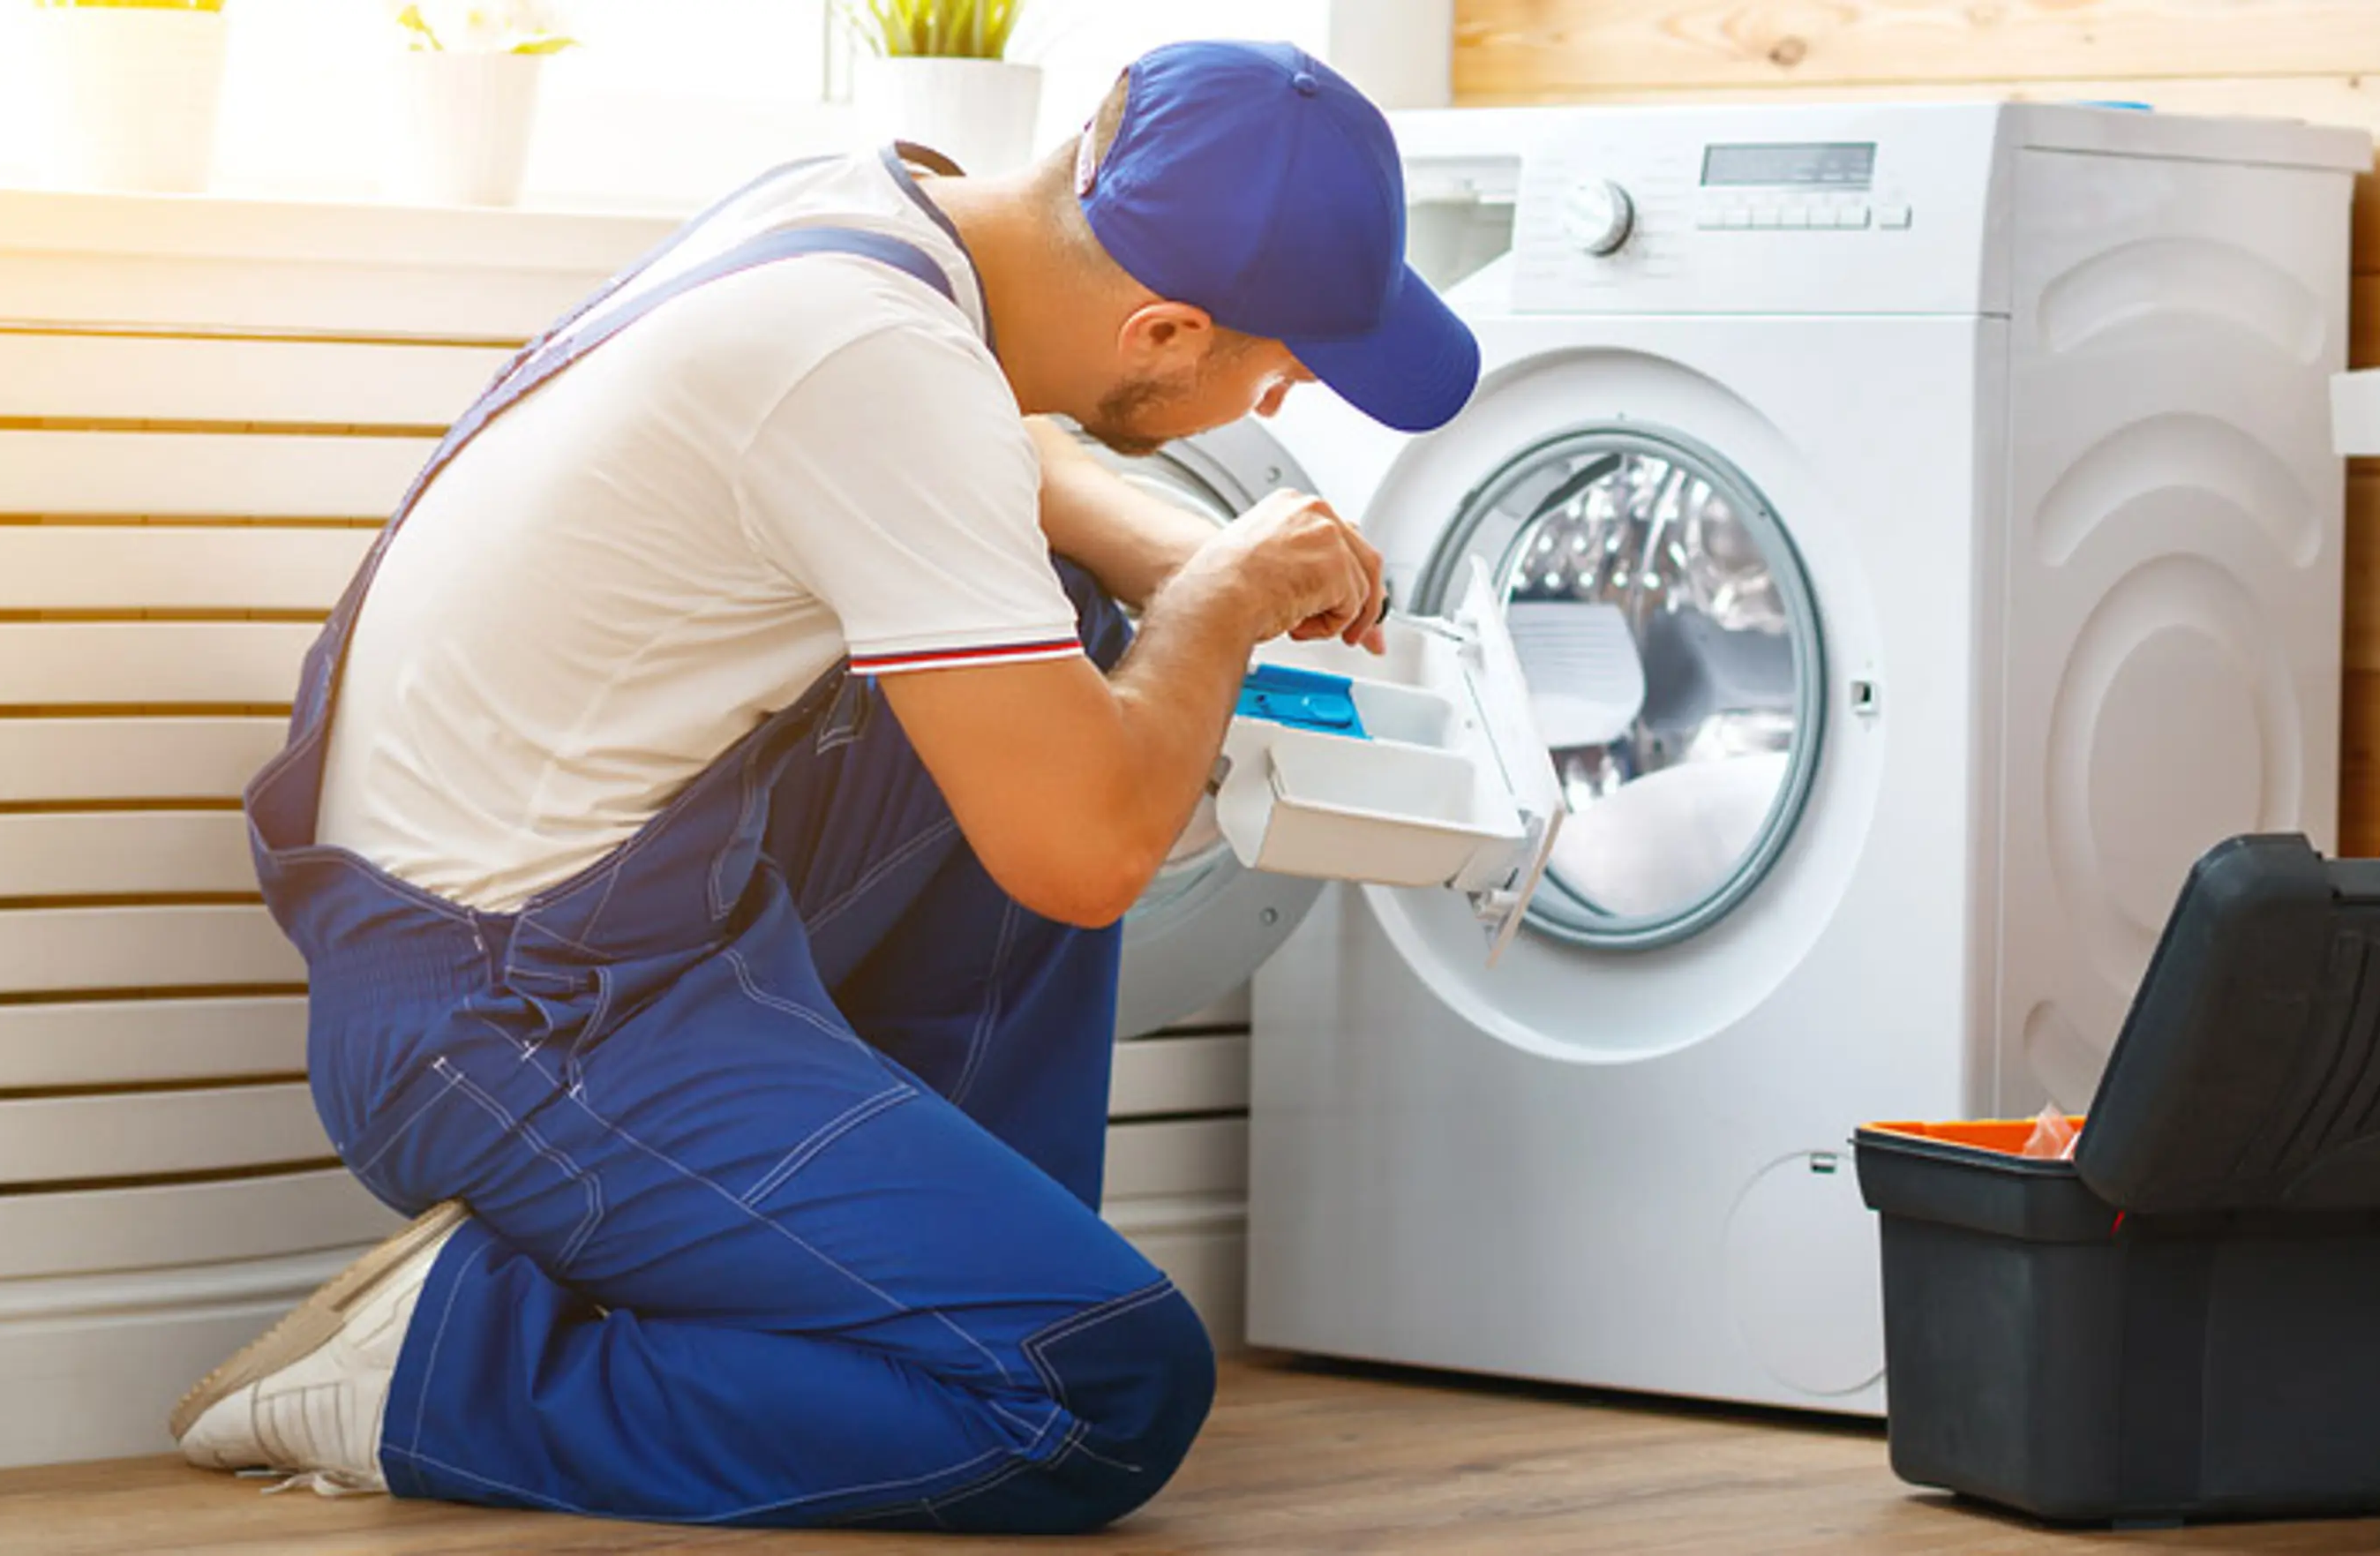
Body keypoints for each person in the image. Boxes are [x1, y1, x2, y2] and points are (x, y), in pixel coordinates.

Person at [161, 38, 1479, 1535]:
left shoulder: (874, 222)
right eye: (1286, 367)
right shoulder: (878, 364)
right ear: (1164, 329)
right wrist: (1216, 609)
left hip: (597, 918)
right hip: (505, 1015)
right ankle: (438, 1373)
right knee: (1101, 1391)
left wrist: (1174, 555)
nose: (1293, 396)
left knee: (1065, 622)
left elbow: (983, 466)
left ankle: (946, 1281)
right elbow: (1085, 852)